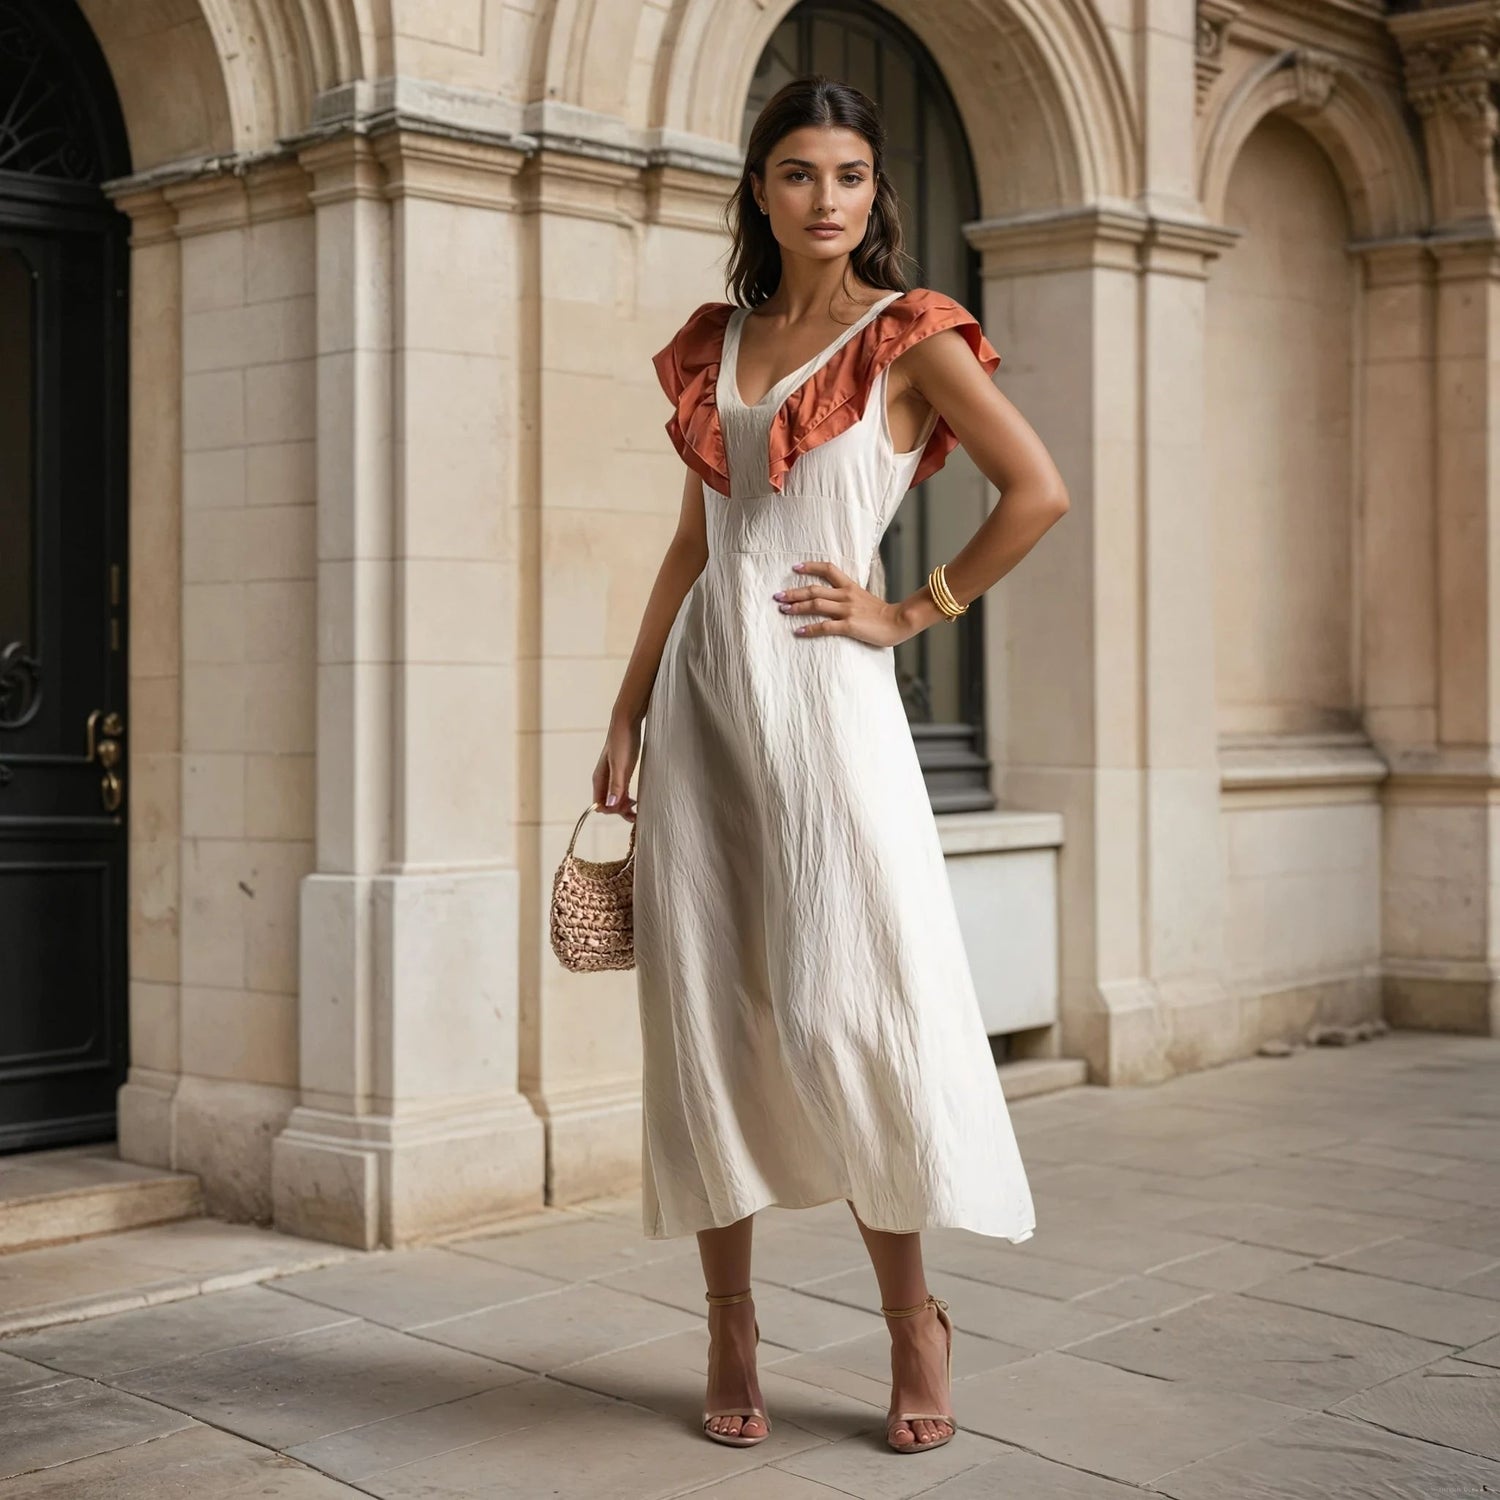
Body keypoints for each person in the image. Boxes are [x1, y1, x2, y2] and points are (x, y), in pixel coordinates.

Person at [592, 74, 1068, 1457]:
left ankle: (913, 1323)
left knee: (848, 1011)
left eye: (850, 175)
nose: (826, 198)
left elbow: (1036, 490)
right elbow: (696, 549)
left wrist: (913, 612)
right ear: (761, 188)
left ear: (875, 194)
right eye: (799, 173)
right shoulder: (718, 342)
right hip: (702, 709)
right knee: (706, 1018)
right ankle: (728, 1319)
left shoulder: (909, 337)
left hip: (829, 712)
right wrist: (625, 710)